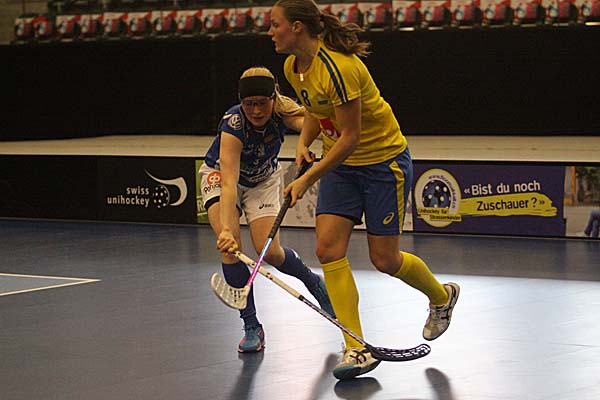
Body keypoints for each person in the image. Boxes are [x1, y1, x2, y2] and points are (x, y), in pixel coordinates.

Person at [268, 0, 460, 380]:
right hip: (342, 168)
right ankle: (356, 347)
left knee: (385, 260)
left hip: (381, 163)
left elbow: (351, 137)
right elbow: (315, 110)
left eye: (275, 24)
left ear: (298, 27)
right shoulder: (293, 67)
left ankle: (442, 297)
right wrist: (303, 142)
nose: (270, 32)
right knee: (327, 250)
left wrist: (306, 178)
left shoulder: (340, 69)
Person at [199, 66, 336, 353]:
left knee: (271, 252)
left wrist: (305, 143)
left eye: (262, 102)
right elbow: (229, 182)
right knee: (230, 247)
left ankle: (313, 282)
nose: (256, 110)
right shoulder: (233, 124)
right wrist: (226, 229)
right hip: (222, 178)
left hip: (262, 180)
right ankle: (252, 325)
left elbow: (317, 125)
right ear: (241, 101)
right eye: (249, 104)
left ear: (273, 99)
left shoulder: (282, 114)